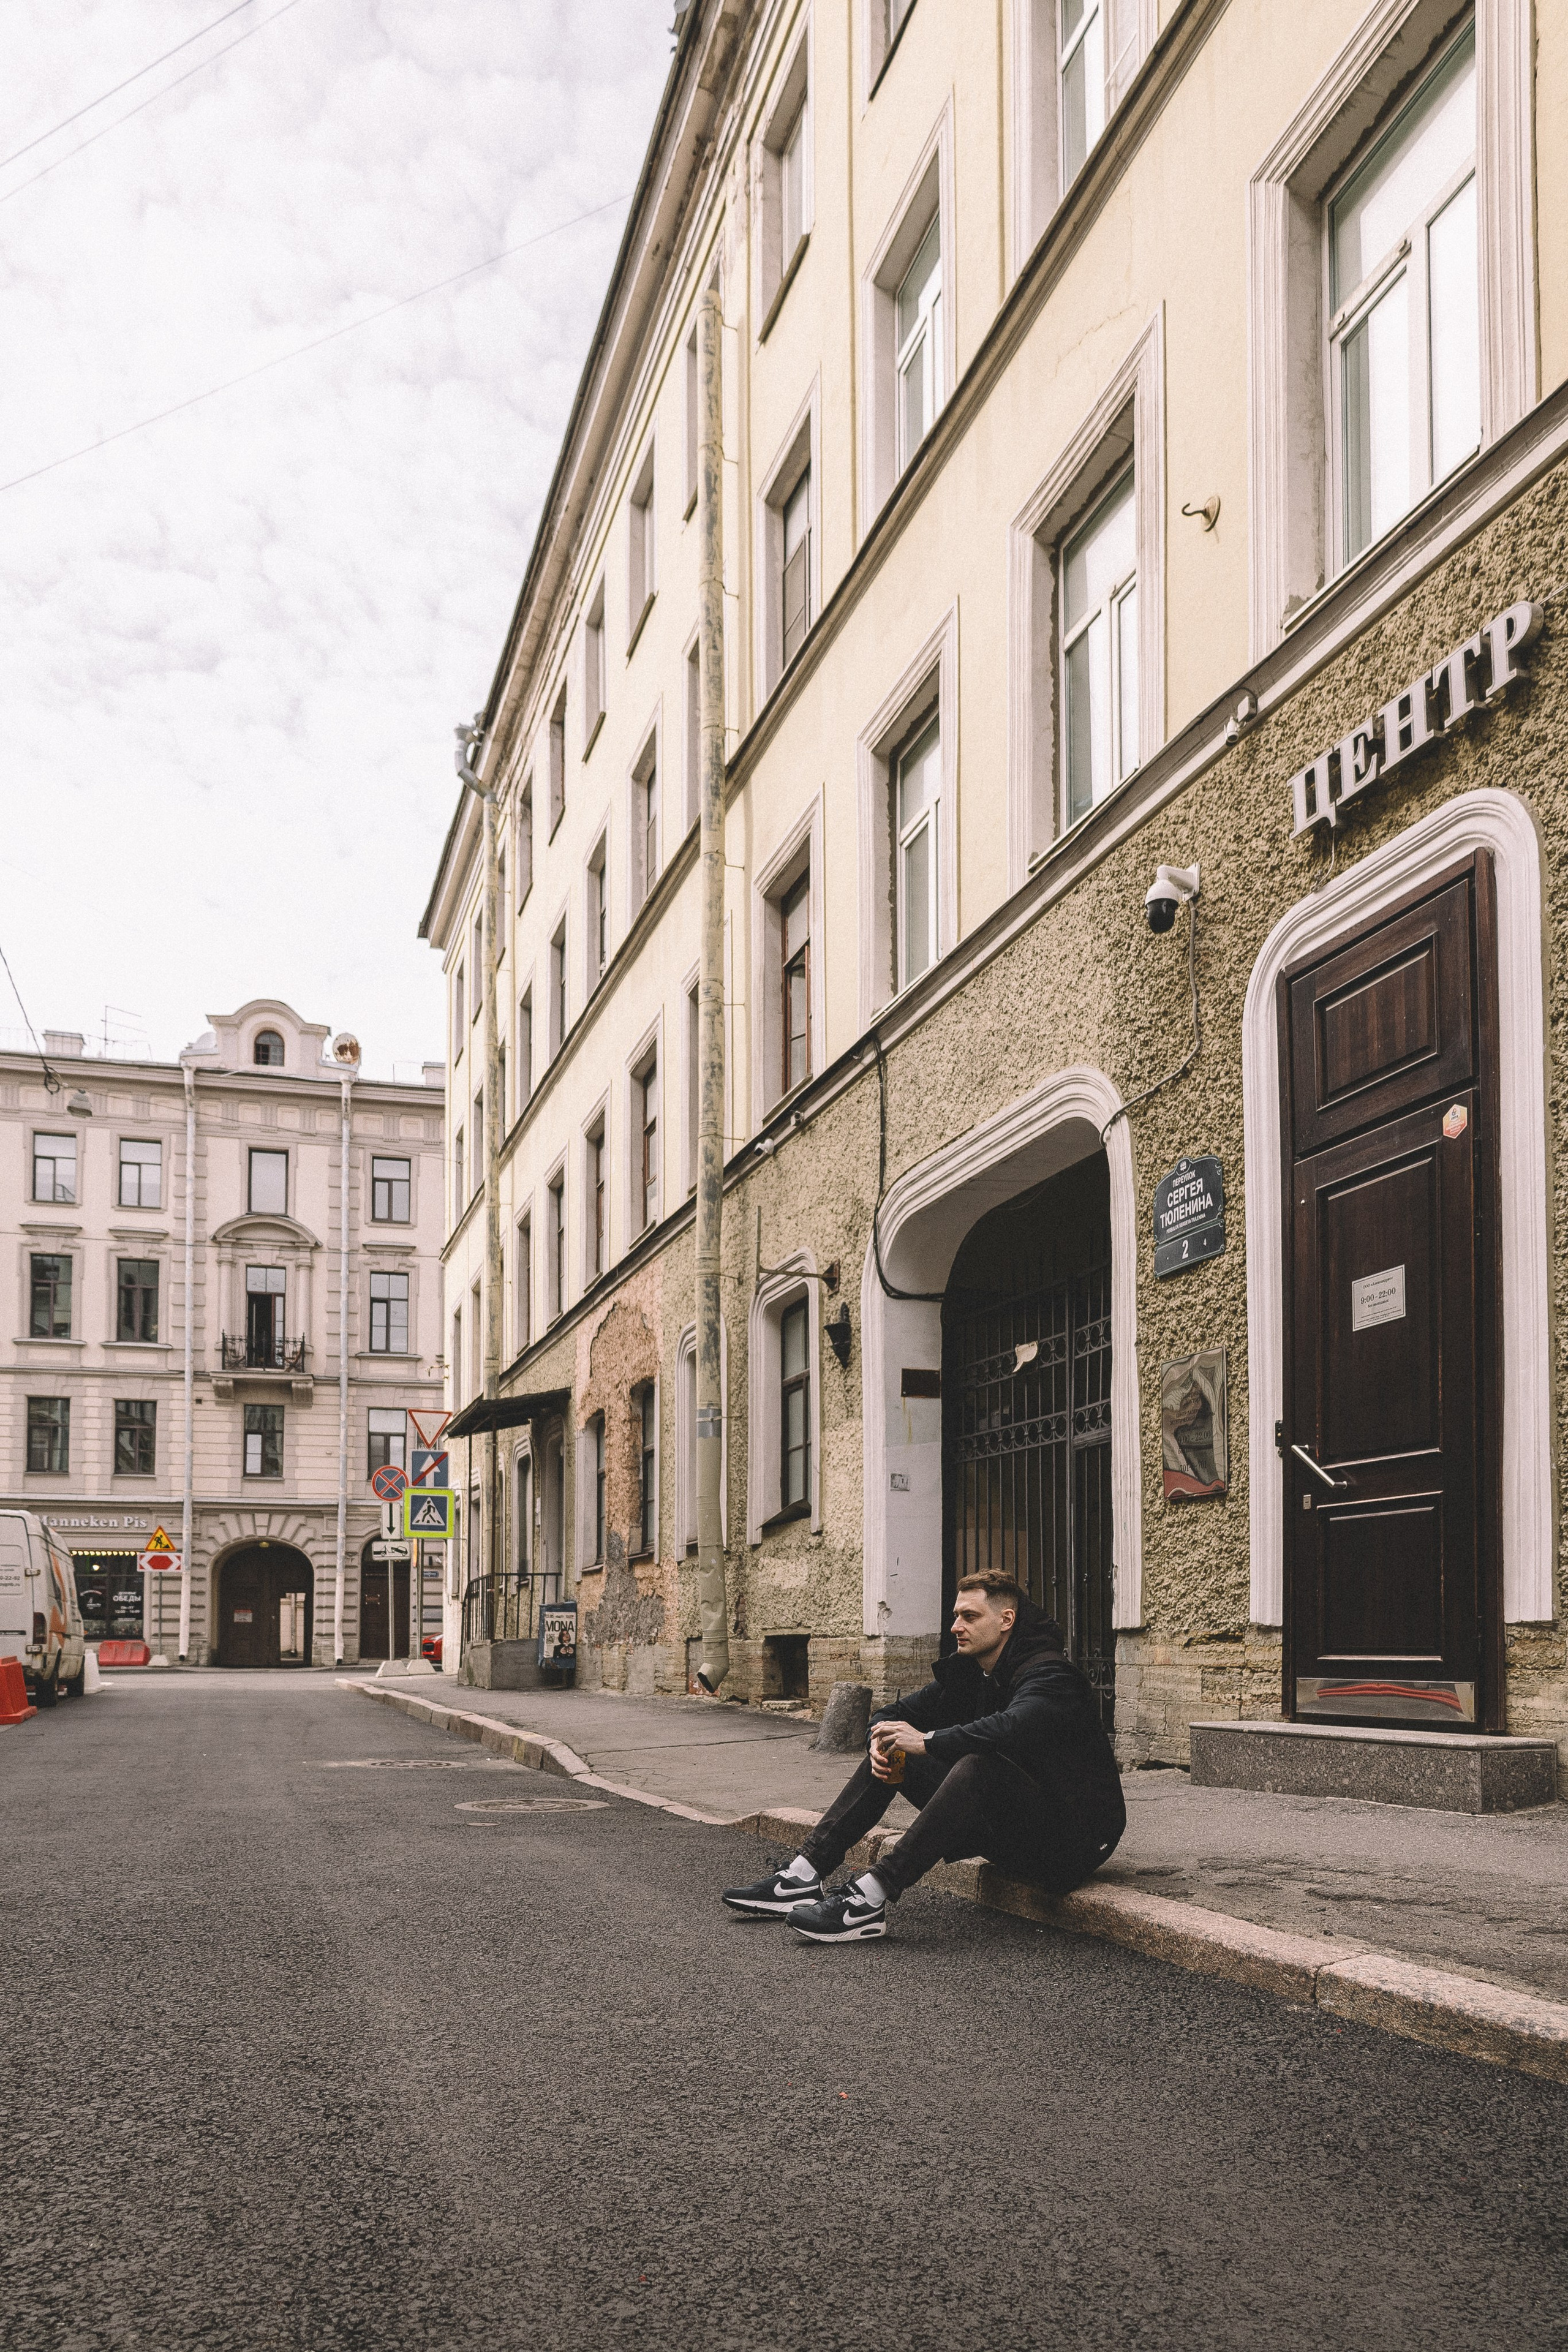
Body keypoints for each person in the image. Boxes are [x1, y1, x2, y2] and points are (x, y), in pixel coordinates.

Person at [722, 1570, 1125, 1943]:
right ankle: (804, 1875)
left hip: (1069, 1847)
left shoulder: (1051, 1675)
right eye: (955, 1616)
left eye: (969, 1616)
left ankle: (871, 1896)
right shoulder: (973, 1673)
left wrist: (928, 1741)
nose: (956, 1627)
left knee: (977, 1763)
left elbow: (1010, 1727)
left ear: (1006, 1620)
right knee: (893, 1742)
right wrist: (878, 1743)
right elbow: (890, 1716)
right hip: (1014, 1833)